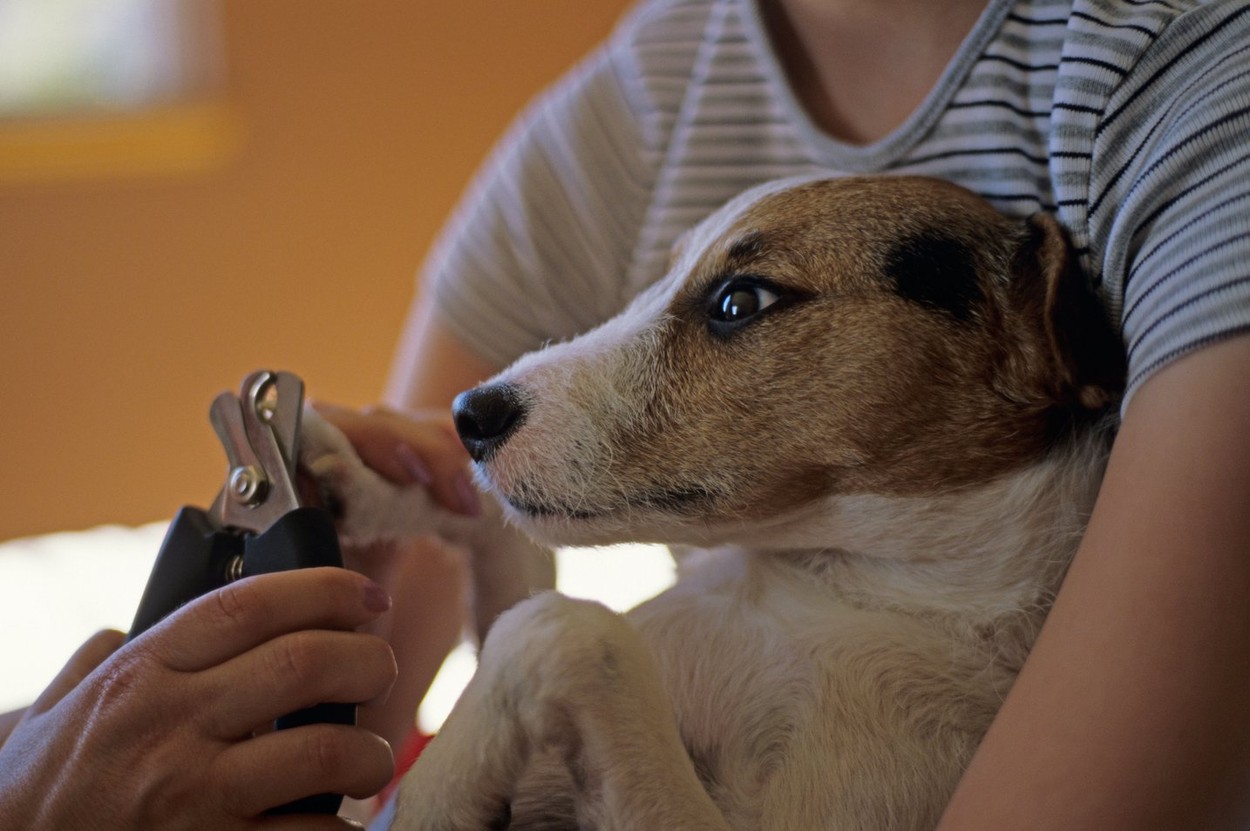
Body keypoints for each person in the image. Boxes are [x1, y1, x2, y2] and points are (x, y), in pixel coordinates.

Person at [5, 0, 1250, 826]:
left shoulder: (1189, 84)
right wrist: (442, 534)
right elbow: (363, 721)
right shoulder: (634, 106)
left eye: (736, 305)